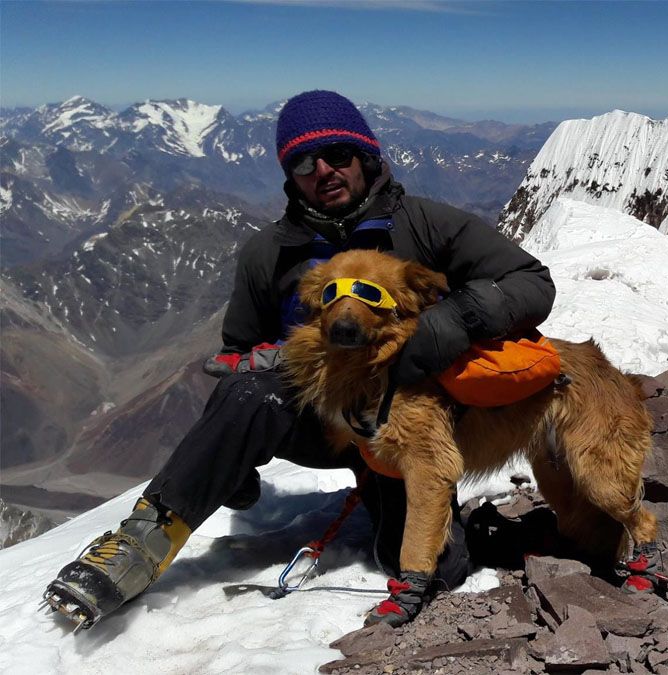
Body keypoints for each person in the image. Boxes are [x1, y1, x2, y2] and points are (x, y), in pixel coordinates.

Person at [44, 90, 556, 629]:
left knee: (440, 570)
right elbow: (241, 355)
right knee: (251, 389)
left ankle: (399, 499)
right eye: (303, 162)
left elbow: (531, 282)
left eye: (337, 153)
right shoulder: (268, 255)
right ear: (290, 174)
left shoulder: (428, 226)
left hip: (410, 427)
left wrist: (450, 322)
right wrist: (234, 442)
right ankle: (140, 542)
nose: (323, 171)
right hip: (325, 422)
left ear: (366, 156)